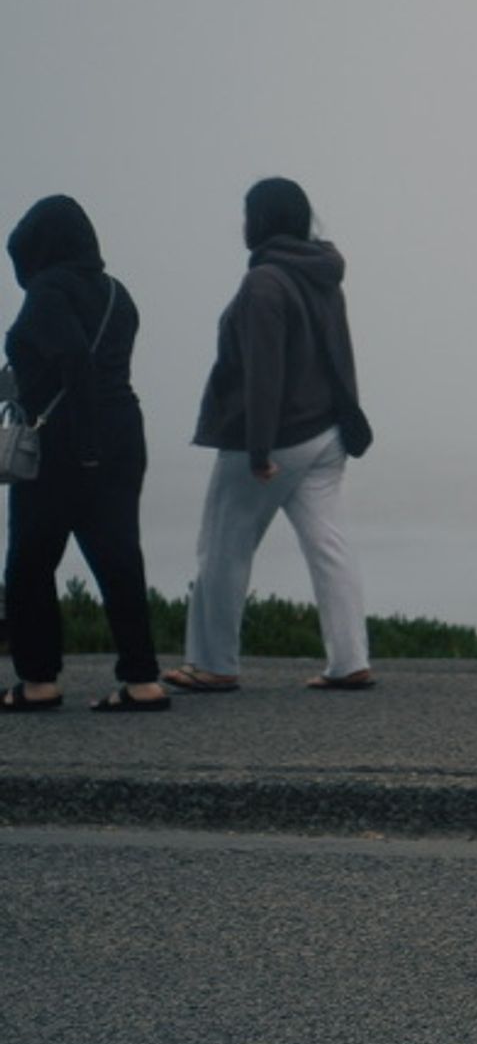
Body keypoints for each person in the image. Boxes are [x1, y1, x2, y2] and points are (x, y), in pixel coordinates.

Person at [164, 179, 376, 694]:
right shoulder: (322, 272)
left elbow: (265, 374)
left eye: (246, 214)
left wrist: (258, 449)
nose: (242, 224)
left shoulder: (264, 282)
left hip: (271, 439)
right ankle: (350, 661)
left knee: (222, 546)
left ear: (261, 220)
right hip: (325, 433)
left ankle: (214, 664)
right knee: (330, 546)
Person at [3, 196, 168, 711]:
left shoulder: (49, 289)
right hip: (123, 435)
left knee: (30, 562)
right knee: (119, 557)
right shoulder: (118, 294)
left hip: (64, 444)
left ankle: (38, 681)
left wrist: (84, 444)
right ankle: (143, 681)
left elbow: (72, 358)